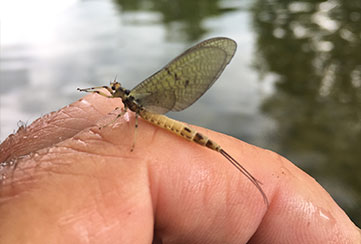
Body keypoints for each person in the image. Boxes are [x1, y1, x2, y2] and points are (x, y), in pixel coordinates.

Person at [0, 93, 360, 243]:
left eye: (113, 92)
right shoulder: (125, 103)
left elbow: (130, 124)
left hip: (171, 128)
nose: (110, 94)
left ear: (120, 95)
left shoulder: (132, 108)